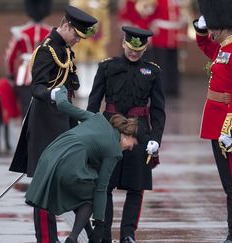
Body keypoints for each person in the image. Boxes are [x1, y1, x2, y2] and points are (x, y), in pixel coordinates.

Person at [9, 5, 98, 243]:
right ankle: (46, 238)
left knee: (68, 177)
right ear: (66, 25)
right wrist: (51, 95)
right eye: (76, 34)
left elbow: (70, 80)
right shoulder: (46, 50)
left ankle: (83, 232)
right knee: (45, 181)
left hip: (64, 119)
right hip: (46, 121)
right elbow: (36, 87)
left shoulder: (64, 49)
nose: (78, 40)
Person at [26, 86, 138, 243]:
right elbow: (101, 188)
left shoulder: (95, 118)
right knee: (90, 196)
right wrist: (100, 223)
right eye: (133, 143)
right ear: (126, 134)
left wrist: (61, 92)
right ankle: (72, 238)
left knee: (78, 192)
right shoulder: (114, 150)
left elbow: (63, 106)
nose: (131, 147)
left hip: (50, 155)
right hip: (71, 162)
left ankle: (81, 234)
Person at [87, 26, 166, 243]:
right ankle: (103, 232)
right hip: (109, 127)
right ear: (123, 43)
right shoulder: (106, 67)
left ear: (145, 48)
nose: (134, 53)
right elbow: (93, 104)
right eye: (131, 48)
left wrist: (155, 139)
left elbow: (158, 110)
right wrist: (88, 133)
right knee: (105, 184)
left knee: (136, 186)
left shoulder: (153, 71)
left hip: (139, 130)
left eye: (139, 50)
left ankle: (128, 234)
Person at [193, 0, 232, 242]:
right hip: (216, 126)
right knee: (229, 185)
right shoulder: (223, 50)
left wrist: (230, 129)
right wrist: (200, 28)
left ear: (224, 23)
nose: (210, 32)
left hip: (231, 130)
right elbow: (203, 45)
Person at [4, 0, 52, 114]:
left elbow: (9, 56)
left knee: (26, 110)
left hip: (24, 76)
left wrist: (10, 74)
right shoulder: (50, 32)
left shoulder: (20, 32)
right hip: (45, 74)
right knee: (44, 111)